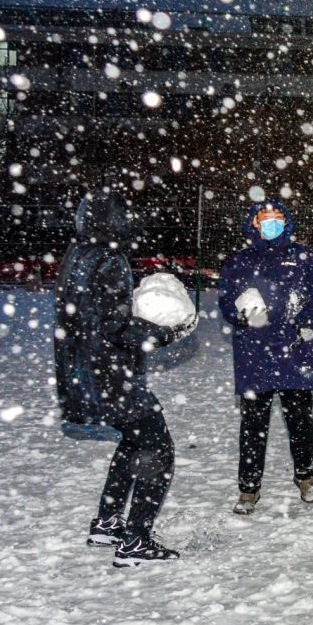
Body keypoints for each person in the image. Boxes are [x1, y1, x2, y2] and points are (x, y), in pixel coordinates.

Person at [54, 190, 195, 567]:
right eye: (123, 217)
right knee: (157, 447)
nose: (129, 222)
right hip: (110, 376)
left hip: (82, 372)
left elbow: (89, 316)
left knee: (134, 441)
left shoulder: (77, 254)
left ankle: (107, 522)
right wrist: (165, 333)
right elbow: (114, 325)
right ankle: (136, 541)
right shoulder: (109, 259)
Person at [218, 200, 313, 515]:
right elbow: (226, 300)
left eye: (277, 219)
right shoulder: (240, 261)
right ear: (253, 224)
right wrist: (240, 316)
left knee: (300, 421)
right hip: (254, 353)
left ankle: (306, 478)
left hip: (295, 352)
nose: (271, 224)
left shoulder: (303, 258)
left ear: (286, 222)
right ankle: (248, 489)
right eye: (264, 219)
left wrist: (302, 319)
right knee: (253, 425)